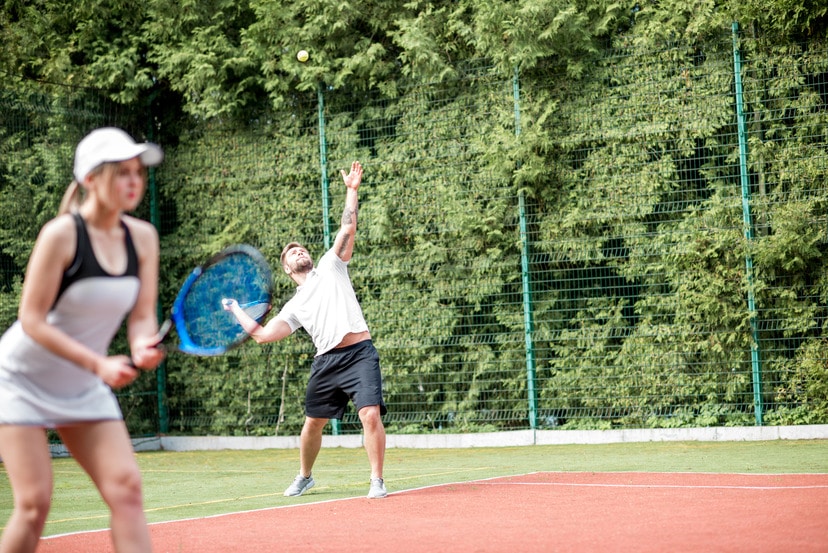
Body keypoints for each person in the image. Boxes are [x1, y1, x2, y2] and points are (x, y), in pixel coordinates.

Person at [0, 127, 167, 553]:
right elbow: (32, 320)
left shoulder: (143, 238)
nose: (134, 181)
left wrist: (141, 345)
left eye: (138, 172)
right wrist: (98, 364)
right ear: (91, 179)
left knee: (127, 489)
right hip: (19, 380)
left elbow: (142, 313)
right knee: (34, 504)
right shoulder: (61, 235)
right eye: (122, 172)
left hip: (82, 386)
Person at [223, 161, 388, 499]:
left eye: (301, 249)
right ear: (287, 268)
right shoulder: (294, 306)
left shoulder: (331, 266)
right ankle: (305, 476)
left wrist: (351, 191)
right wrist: (237, 310)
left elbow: (347, 229)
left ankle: (376, 480)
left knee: (369, 414)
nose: (299, 252)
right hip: (326, 362)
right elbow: (263, 335)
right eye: (292, 253)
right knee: (313, 423)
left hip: (359, 354)